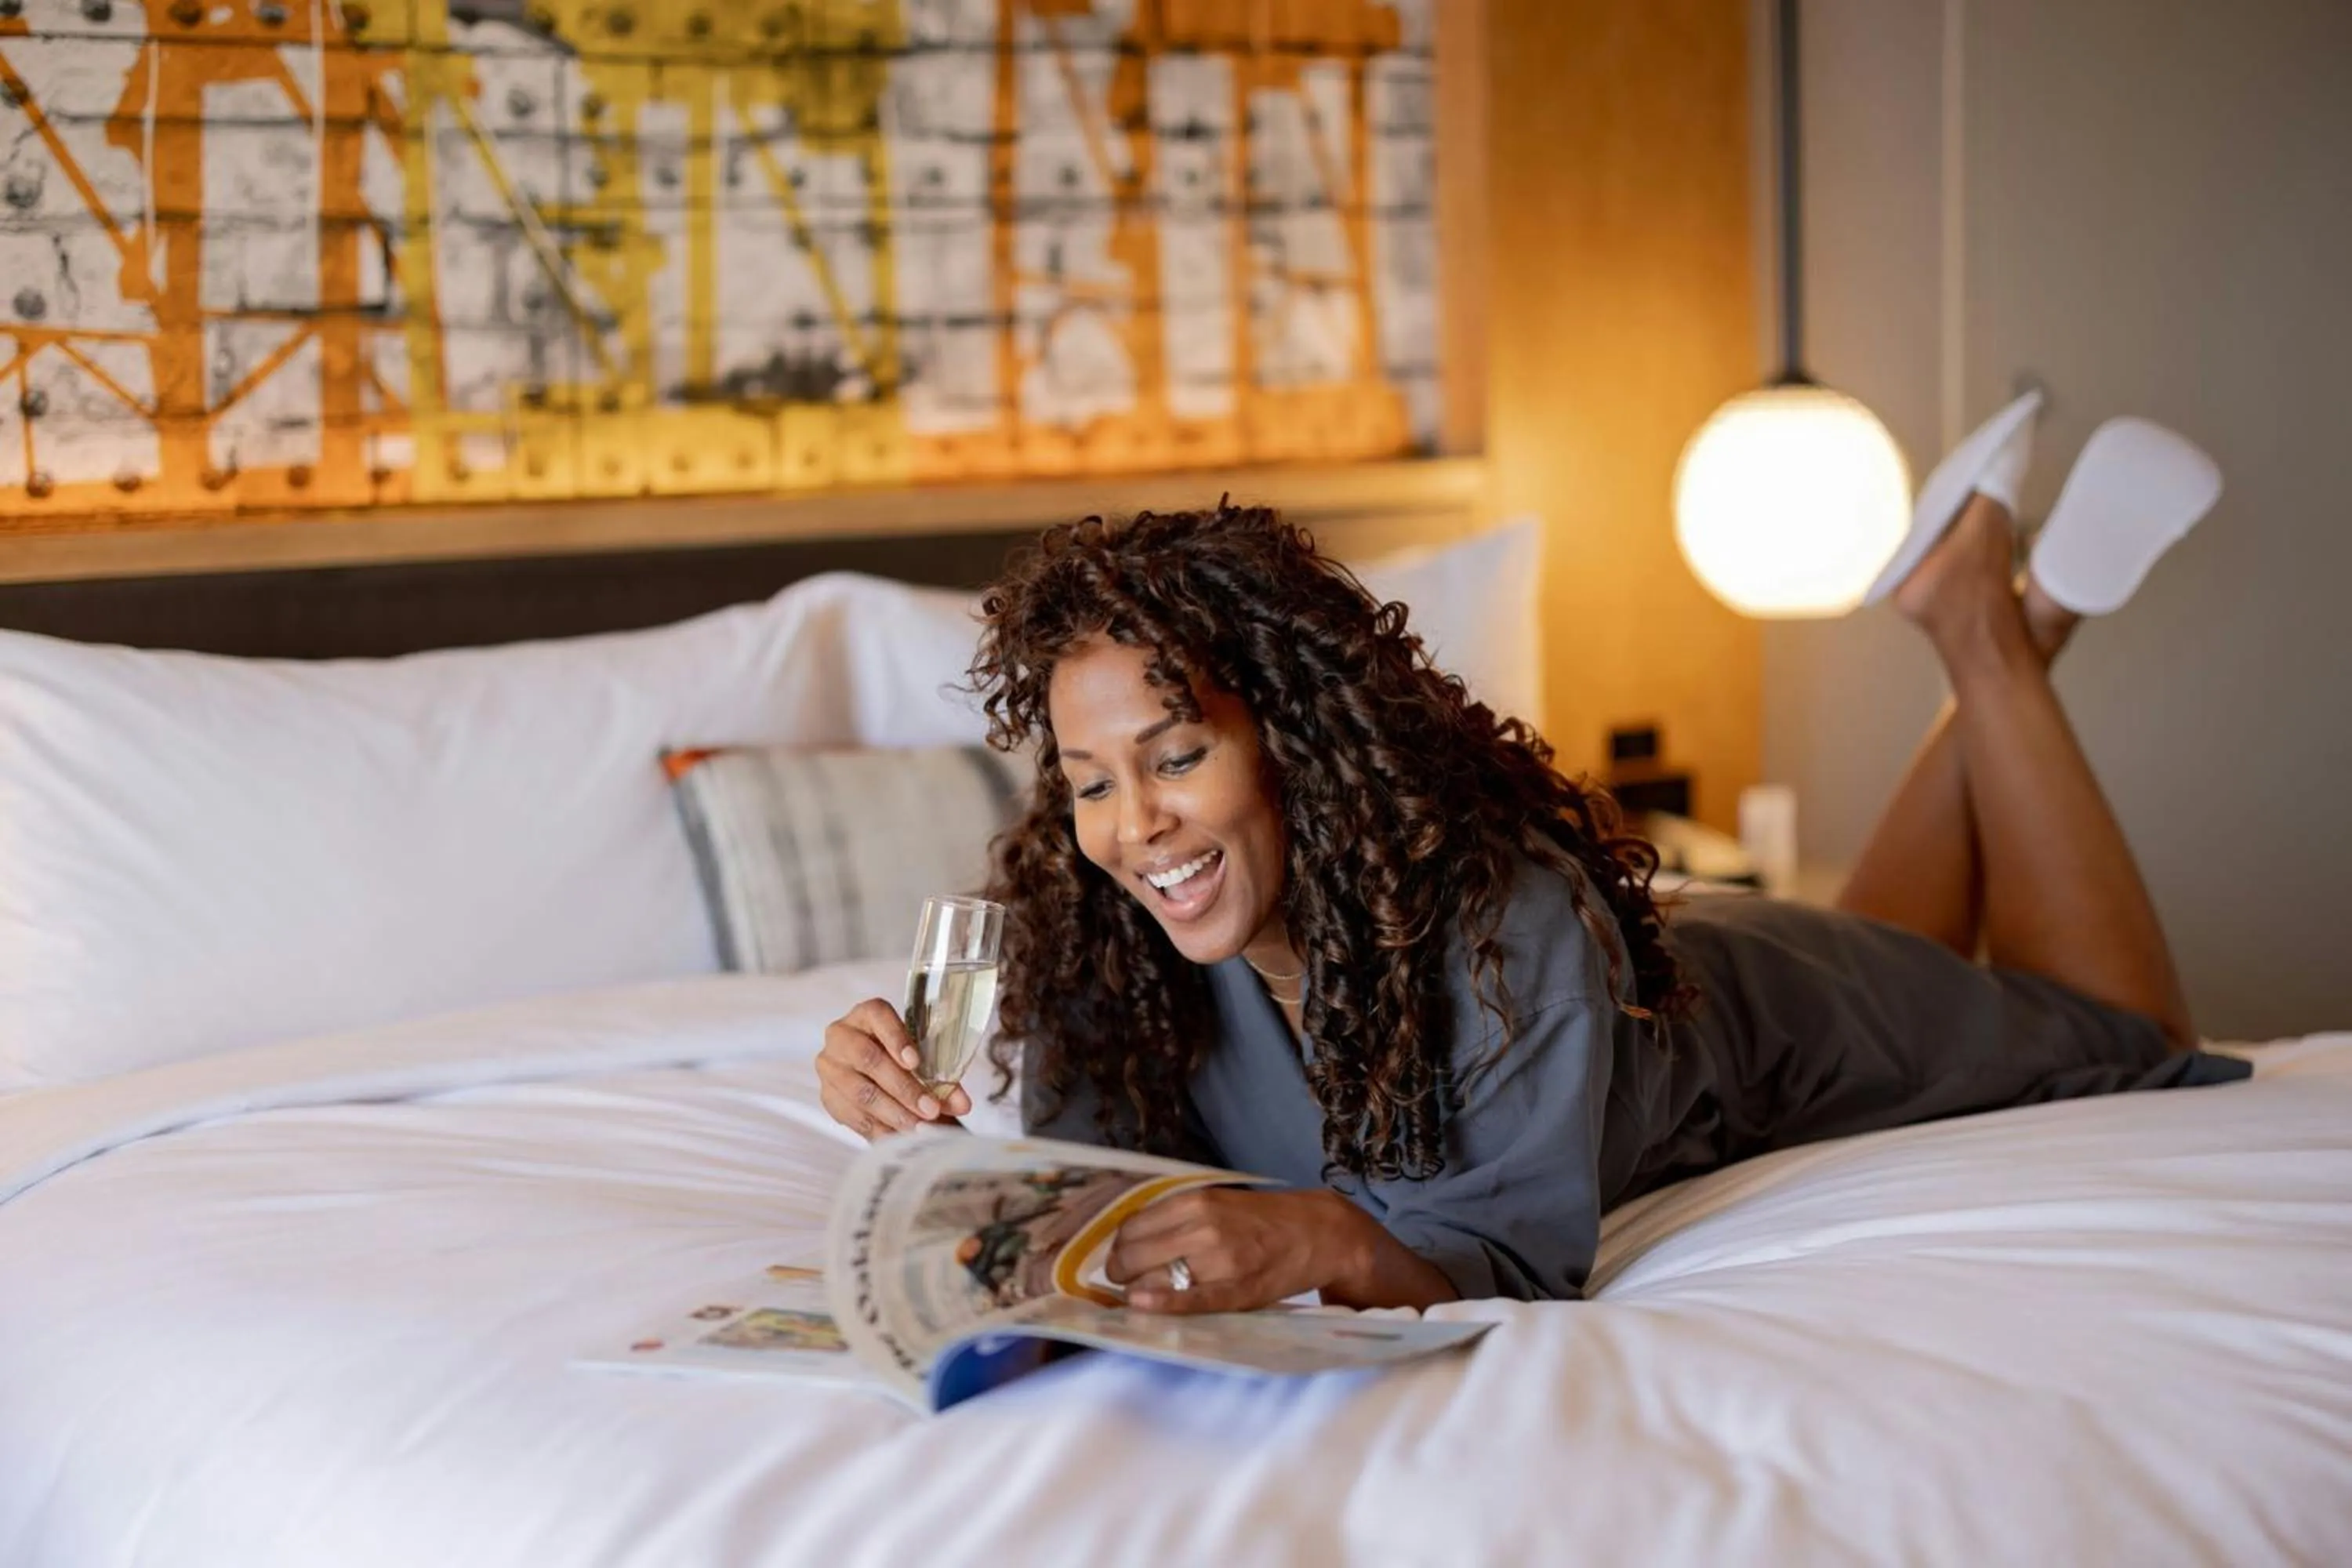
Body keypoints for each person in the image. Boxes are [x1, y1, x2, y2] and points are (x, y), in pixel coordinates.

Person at [815, 411, 2251, 1314]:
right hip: (1668, 988)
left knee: (2126, 1032)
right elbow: (1094, 1198)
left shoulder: (1510, 926)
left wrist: (1322, 1242)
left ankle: (2011, 627)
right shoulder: (1107, 937)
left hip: (1761, 1023)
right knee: (1895, 949)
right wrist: (934, 1156)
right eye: (1090, 784)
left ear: (1297, 745)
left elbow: (1498, 1262)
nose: (1137, 827)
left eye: (1179, 757)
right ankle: (1984, 605)